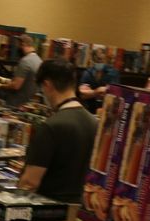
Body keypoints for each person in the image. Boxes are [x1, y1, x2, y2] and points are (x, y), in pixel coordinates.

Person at [19, 58, 98, 204]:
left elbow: (30, 182)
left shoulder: (51, 126)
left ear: (47, 85)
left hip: (49, 208)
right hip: (80, 207)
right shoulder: (94, 123)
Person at [0, 33, 41, 107]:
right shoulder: (39, 60)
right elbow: (24, 82)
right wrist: (3, 79)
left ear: (23, 44)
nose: (17, 49)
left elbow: (15, 86)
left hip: (16, 104)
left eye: (17, 46)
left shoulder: (25, 61)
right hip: (28, 104)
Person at [78, 47, 121, 113]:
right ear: (92, 60)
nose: (99, 62)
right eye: (97, 59)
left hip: (106, 110)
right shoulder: (87, 73)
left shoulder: (113, 73)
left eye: (101, 59)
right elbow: (82, 95)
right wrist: (96, 91)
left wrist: (91, 93)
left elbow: (113, 95)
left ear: (106, 59)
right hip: (88, 109)